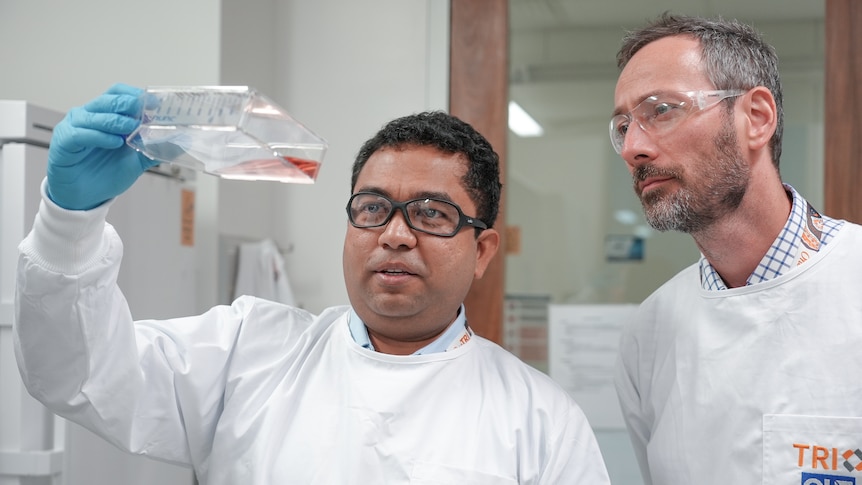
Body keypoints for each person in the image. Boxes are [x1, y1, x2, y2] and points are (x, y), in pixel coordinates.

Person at [14, 83, 611, 485]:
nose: (395, 236)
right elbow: (79, 375)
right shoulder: (249, 352)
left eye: (431, 214)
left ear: (481, 251)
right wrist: (69, 220)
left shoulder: (540, 419)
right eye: (373, 208)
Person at [610, 13, 862, 485]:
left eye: (661, 110)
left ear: (757, 118)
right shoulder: (649, 333)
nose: (632, 148)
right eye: (623, 125)